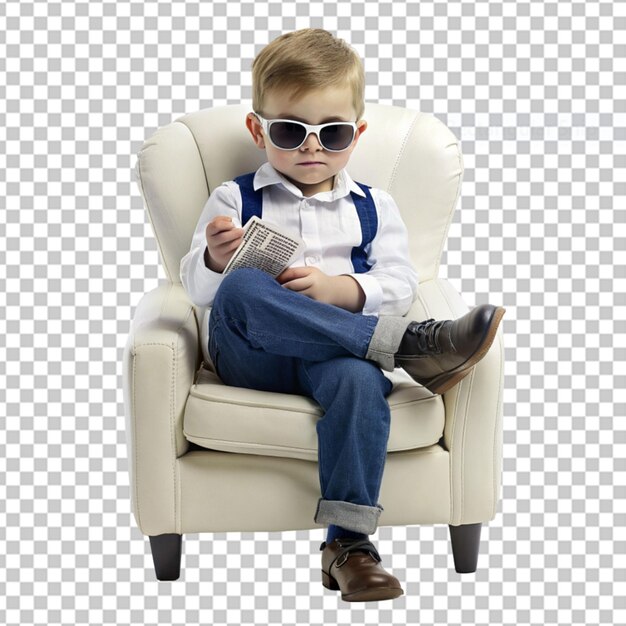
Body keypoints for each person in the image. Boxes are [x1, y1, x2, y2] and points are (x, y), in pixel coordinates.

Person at [180, 28, 505, 602]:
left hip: (334, 353)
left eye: (331, 134)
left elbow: (402, 281)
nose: (312, 148)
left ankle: (349, 546)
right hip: (252, 355)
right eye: (290, 131)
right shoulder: (237, 198)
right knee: (242, 290)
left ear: (355, 134)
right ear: (259, 130)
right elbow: (195, 289)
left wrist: (343, 289)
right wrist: (214, 257)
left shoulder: (372, 206)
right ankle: (408, 347)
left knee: (359, 381)